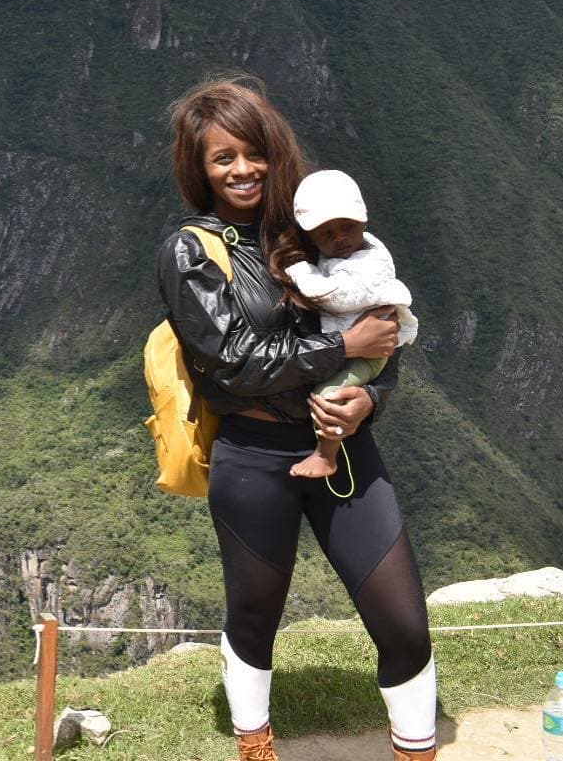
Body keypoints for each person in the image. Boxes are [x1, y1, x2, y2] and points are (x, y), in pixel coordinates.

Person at [155, 76, 436, 761]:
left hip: (345, 446)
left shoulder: (316, 231)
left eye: (254, 152)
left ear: (275, 151)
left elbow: (382, 327)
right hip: (253, 457)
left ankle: (418, 750)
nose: (242, 169)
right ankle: (256, 745)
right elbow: (232, 364)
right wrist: (342, 348)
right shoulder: (190, 252)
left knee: (404, 624)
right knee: (255, 615)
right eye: (223, 158)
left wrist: (371, 396)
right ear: (200, 167)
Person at [284, 169, 419, 480]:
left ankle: (326, 456)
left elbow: (335, 297)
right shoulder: (359, 249)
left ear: (363, 221)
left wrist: (299, 270)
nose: (339, 238)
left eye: (347, 227)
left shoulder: (368, 266)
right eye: (326, 234)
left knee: (328, 396)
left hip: (369, 355)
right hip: (358, 345)